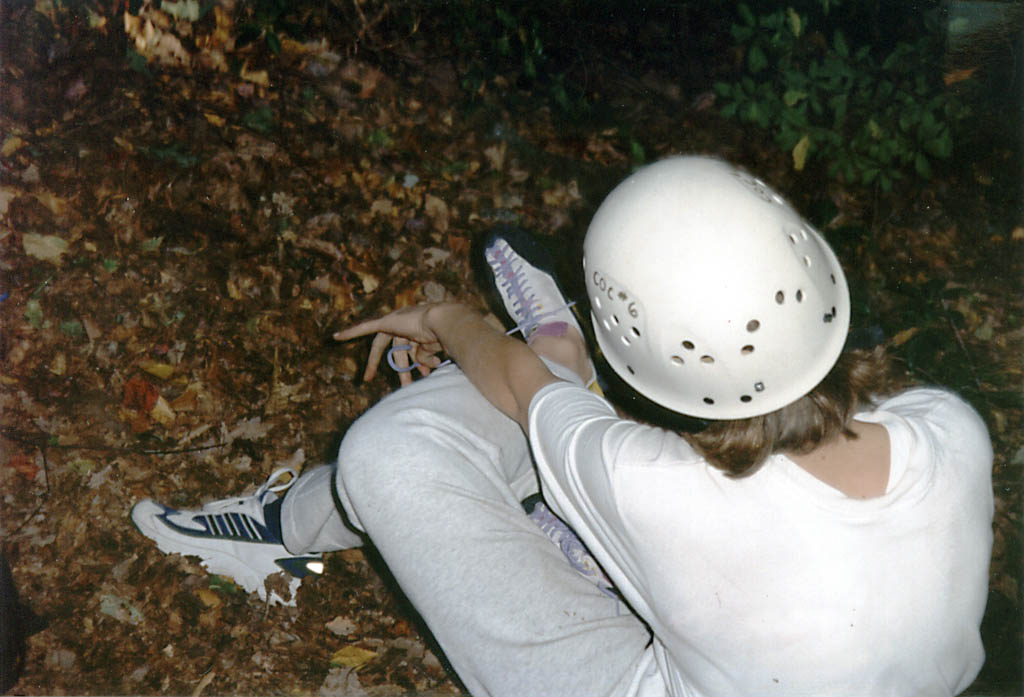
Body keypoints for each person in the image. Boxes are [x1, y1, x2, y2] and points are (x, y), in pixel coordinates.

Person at [131, 156, 994, 697]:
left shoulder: (656, 486)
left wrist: (443, 315)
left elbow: (511, 380)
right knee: (566, 438)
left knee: (394, 453)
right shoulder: (952, 429)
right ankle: (568, 400)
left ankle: (563, 350)